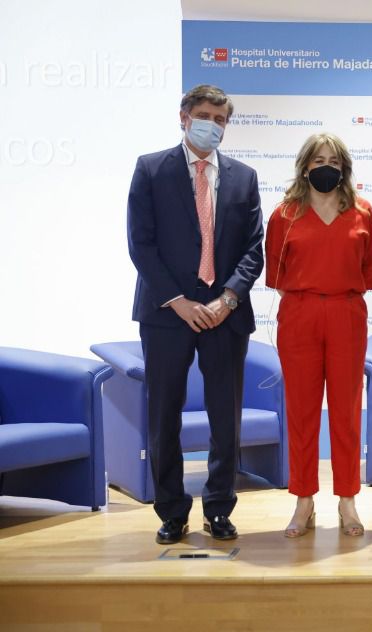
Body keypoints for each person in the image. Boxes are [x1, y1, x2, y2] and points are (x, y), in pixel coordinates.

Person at [127, 84, 264, 544]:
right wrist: (179, 301)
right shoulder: (151, 169)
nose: (212, 125)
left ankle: (219, 509)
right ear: (184, 118)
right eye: (204, 115)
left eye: (220, 119)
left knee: (226, 417)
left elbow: (253, 249)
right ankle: (171, 511)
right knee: (164, 414)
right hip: (168, 314)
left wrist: (227, 299)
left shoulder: (244, 177)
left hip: (226, 315)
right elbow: (141, 244)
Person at [265, 133, 372, 538]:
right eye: (318, 161)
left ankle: (348, 500)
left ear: (344, 167)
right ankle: (304, 500)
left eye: (333, 161)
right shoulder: (285, 214)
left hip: (347, 312)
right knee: (301, 411)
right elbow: (277, 274)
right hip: (299, 313)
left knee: (347, 411)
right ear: (304, 166)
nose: (325, 167)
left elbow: (369, 268)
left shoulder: (363, 212)